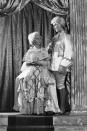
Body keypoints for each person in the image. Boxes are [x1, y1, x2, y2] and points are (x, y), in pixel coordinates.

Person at [13, 32, 60, 115]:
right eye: (37, 38)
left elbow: (47, 63)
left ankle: (45, 108)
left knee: (46, 80)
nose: (40, 39)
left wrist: (39, 62)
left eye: (40, 38)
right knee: (23, 79)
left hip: (42, 70)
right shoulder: (30, 51)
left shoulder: (44, 50)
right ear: (33, 40)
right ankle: (29, 107)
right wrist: (31, 62)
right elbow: (26, 63)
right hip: (31, 69)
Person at [47, 16, 73, 114]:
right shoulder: (55, 37)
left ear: (61, 24)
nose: (54, 27)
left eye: (55, 24)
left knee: (61, 86)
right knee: (54, 87)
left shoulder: (66, 36)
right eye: (53, 25)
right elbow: (50, 51)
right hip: (52, 65)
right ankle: (56, 108)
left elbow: (69, 52)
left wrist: (64, 65)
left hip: (60, 66)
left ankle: (63, 109)